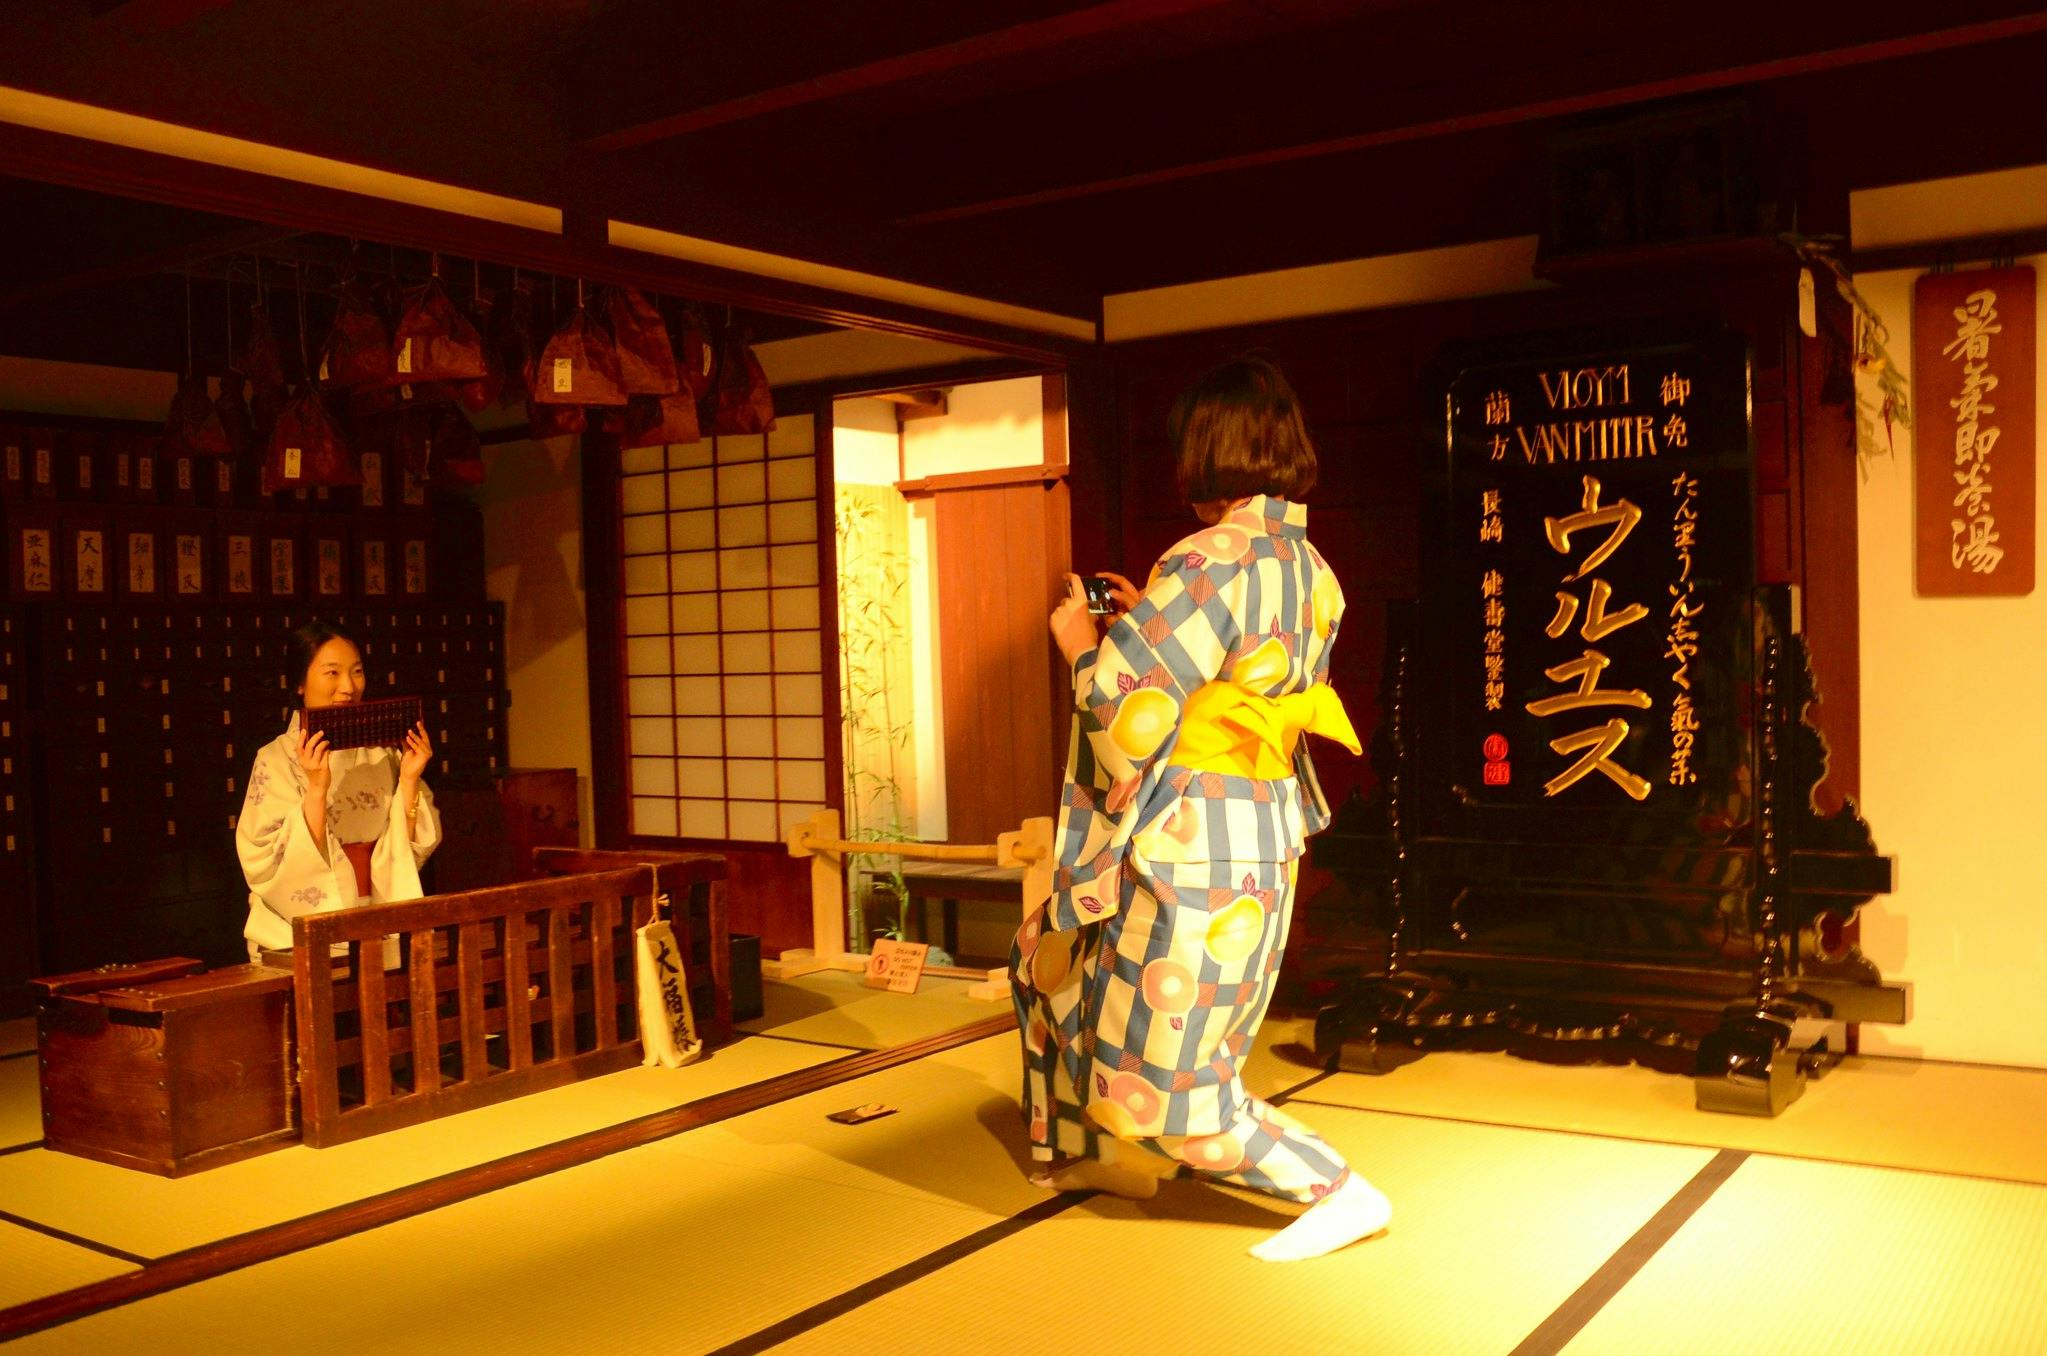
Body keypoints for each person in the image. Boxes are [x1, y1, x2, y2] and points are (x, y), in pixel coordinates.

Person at [1011, 355, 1391, 1262]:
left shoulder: (1207, 557)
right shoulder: (1309, 565)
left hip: (1191, 840)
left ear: (1206, 451)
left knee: (1168, 1080)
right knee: (1045, 963)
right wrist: (1149, 619)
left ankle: (1332, 1187)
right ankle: (1085, 1150)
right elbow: (1219, 668)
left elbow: (1124, 709)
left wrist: (1079, 647)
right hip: (1258, 827)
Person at [237, 621, 440, 961]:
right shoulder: (275, 760)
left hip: (373, 919)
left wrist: (408, 780)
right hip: (295, 933)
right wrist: (316, 789)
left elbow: (406, 854)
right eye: (332, 673)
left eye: (357, 672)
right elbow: (264, 861)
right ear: (300, 682)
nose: (348, 686)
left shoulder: (383, 755)